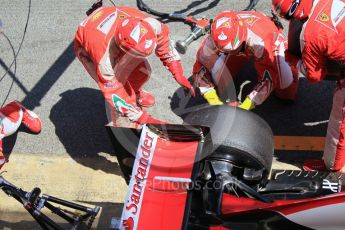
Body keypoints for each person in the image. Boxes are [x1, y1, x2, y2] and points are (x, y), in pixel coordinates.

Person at [74, 5, 195, 128]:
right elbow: (114, 92)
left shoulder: (152, 25)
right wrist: (142, 118)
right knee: (118, 90)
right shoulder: (103, 60)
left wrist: (178, 73)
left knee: (143, 73)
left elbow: (164, 45)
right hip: (87, 46)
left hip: (109, 24)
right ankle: (124, 122)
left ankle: (134, 94)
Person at [272, 0, 345, 172]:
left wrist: (294, 61)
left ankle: (332, 165)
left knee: (339, 122)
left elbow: (314, 76)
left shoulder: (309, 34)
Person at [192, 10, 299, 110]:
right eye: (225, 51)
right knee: (218, 78)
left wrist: (246, 106)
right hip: (241, 42)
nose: (231, 53)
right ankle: (232, 60)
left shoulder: (260, 41)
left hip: (267, 37)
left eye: (234, 50)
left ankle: (292, 70)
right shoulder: (215, 36)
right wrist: (213, 99)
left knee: (285, 86)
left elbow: (269, 77)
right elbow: (199, 67)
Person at [0, 101, 42, 169]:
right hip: (5, 121)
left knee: (36, 128)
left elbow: (1, 160)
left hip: (13, 113)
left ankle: (18, 107)